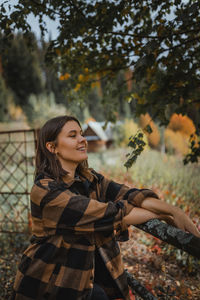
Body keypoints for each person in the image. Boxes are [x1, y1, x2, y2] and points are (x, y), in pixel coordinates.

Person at [11, 115, 200, 300]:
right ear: (52, 147)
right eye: (72, 135)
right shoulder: (46, 191)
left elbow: (130, 194)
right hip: (50, 285)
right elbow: (112, 214)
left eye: (81, 133)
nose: (83, 139)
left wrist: (174, 211)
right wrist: (163, 213)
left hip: (88, 278)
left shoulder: (89, 178)